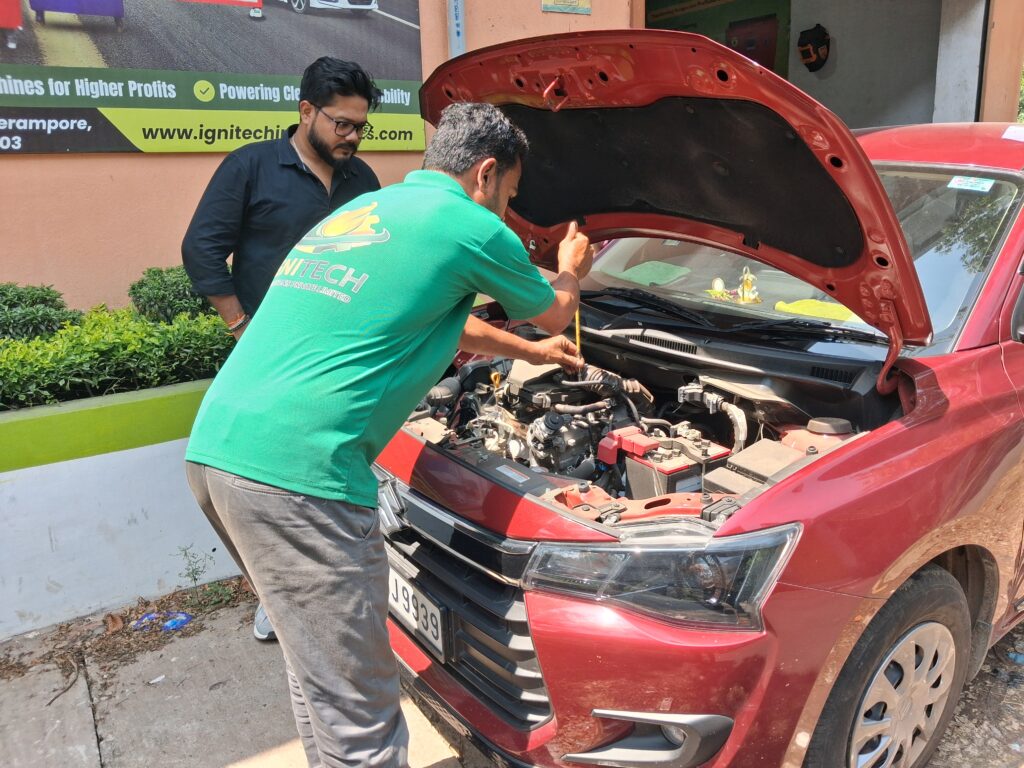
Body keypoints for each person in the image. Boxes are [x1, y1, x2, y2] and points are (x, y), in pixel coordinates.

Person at [184, 101, 592, 768]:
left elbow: (441, 319)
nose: (506, 212)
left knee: (318, 673)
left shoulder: (372, 212)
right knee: (364, 724)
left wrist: (531, 355)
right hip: (299, 477)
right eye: (510, 197)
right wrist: (572, 262)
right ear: (486, 174)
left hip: (219, 453)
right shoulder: (469, 225)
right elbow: (556, 305)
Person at [182, 56, 383, 641]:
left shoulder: (362, 181)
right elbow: (202, 250)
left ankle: (337, 580)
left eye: (360, 126)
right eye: (341, 124)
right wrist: (241, 327)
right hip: (264, 355)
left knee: (327, 477)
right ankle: (273, 596)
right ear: (305, 111)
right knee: (266, 481)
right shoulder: (250, 167)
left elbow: (374, 259)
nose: (351, 136)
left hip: (339, 357)